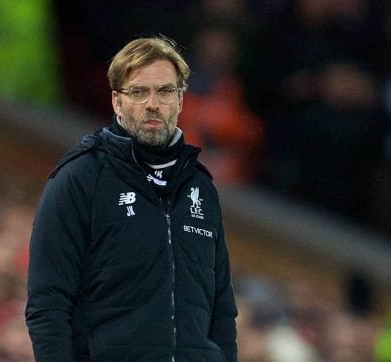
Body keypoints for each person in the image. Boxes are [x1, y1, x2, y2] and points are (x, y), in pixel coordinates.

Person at [25, 36, 238, 361]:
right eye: (138, 92)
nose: (153, 103)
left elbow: (221, 312)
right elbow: (48, 304)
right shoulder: (81, 178)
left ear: (181, 101)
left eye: (165, 91)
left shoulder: (201, 187)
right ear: (116, 101)